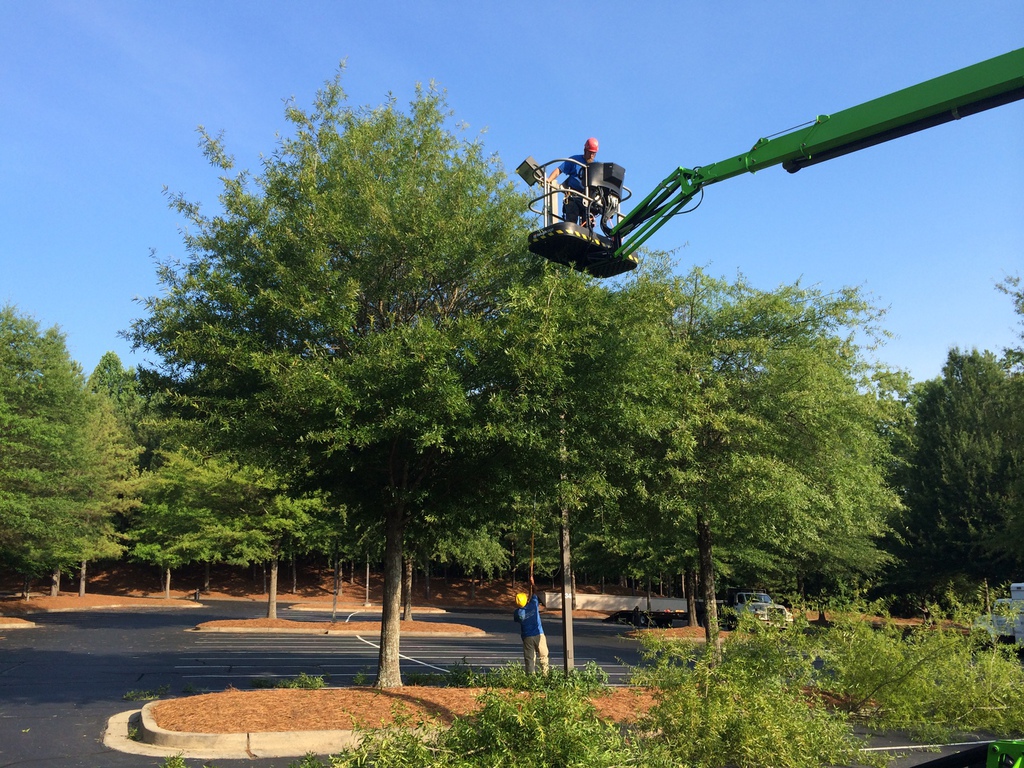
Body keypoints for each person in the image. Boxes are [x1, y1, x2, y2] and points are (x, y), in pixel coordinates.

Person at [546, 137, 598, 226]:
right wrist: (548, 180)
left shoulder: (596, 166)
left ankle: (588, 233)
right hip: (573, 195)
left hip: (588, 198)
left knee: (588, 219)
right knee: (572, 215)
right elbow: (559, 170)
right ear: (585, 150)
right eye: (590, 152)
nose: (591, 156)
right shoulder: (575, 160)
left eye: (593, 153)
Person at [513, 590, 549, 674]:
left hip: (527, 637)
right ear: (526, 600)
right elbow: (535, 593)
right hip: (539, 634)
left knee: (529, 658)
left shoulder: (517, 613)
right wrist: (532, 583)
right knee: (543, 656)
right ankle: (545, 674)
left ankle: (530, 676)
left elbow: (517, 620)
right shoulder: (533, 605)